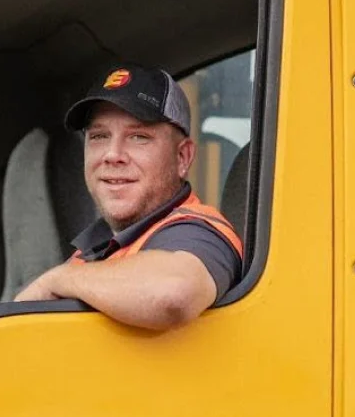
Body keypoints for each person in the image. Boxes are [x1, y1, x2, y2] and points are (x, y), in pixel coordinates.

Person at [14, 64, 242, 331]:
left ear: (182, 158)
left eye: (138, 137)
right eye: (99, 136)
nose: (112, 154)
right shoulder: (95, 249)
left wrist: (58, 279)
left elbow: (172, 292)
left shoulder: (199, 231)